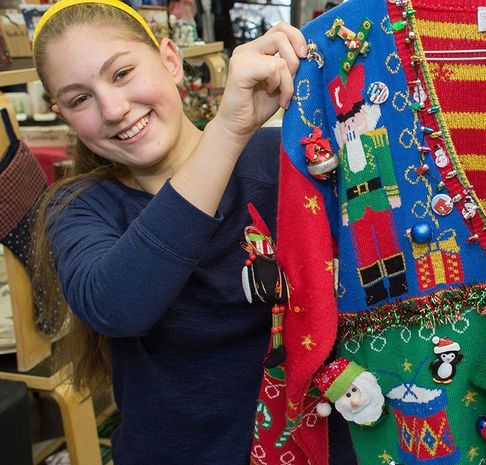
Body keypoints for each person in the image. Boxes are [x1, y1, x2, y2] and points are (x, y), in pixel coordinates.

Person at [29, 0, 313, 463]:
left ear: (171, 60)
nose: (114, 109)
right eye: (81, 99)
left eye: (121, 74)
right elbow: (119, 305)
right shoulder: (79, 208)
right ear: (63, 115)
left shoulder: (278, 159)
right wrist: (227, 130)